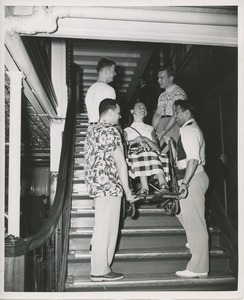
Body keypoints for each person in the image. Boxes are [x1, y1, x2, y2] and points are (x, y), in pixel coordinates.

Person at [84, 98, 137, 282]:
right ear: (109, 112)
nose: (120, 115)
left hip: (98, 186)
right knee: (107, 229)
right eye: (118, 112)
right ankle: (100, 270)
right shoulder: (111, 131)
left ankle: (102, 268)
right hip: (110, 186)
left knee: (102, 227)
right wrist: (128, 191)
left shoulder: (91, 132)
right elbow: (120, 162)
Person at [166, 99, 209, 279]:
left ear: (186, 113)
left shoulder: (190, 130)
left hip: (193, 178)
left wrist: (184, 184)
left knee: (196, 224)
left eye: (177, 112)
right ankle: (195, 242)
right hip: (194, 177)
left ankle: (198, 268)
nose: (175, 116)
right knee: (183, 214)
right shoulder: (189, 129)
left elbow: (193, 160)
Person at [124, 101, 170, 199]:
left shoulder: (150, 129)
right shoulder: (127, 130)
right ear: (132, 111)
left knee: (152, 153)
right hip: (135, 154)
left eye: (144, 107)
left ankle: (163, 183)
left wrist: (147, 140)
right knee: (142, 154)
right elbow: (124, 146)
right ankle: (145, 186)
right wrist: (135, 141)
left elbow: (157, 148)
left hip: (151, 153)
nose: (142, 109)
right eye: (139, 107)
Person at [152, 66, 187, 146]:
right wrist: (153, 131)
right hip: (162, 125)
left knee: (172, 152)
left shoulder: (178, 92)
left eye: (161, 78)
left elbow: (176, 114)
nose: (158, 81)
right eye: (158, 78)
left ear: (171, 78)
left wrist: (165, 131)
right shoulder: (162, 95)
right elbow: (157, 114)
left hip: (173, 126)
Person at [85, 57, 116, 125]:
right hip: (103, 128)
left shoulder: (90, 89)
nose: (115, 74)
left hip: (91, 128)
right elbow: (111, 116)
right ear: (107, 72)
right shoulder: (109, 89)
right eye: (113, 71)